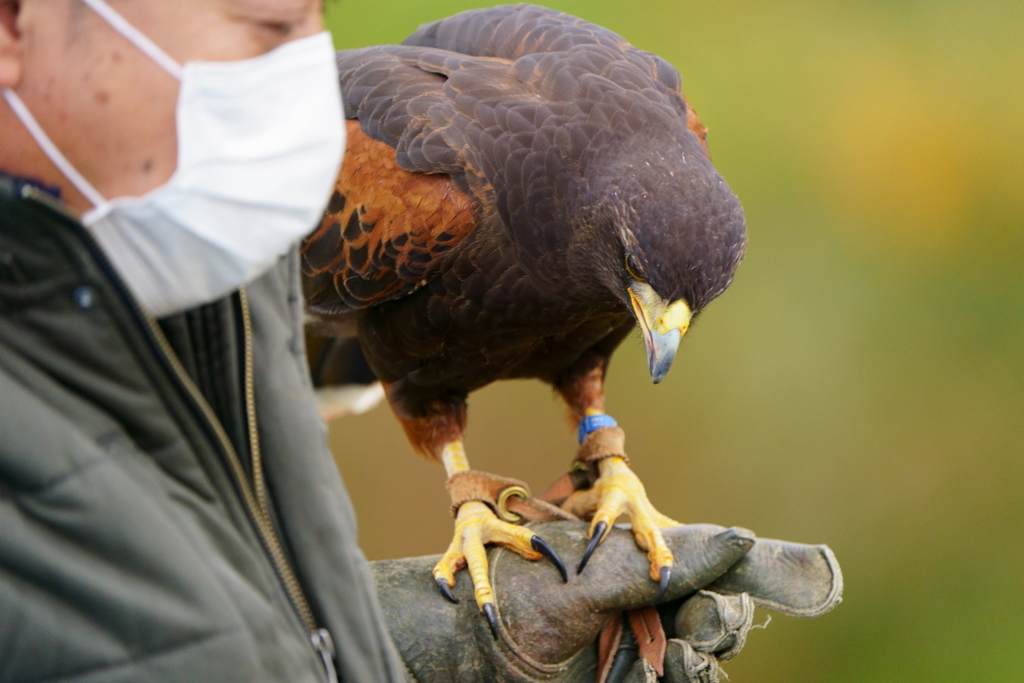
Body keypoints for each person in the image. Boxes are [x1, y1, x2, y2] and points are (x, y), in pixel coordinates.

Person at [0, 1, 840, 681]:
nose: (294, 60)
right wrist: (466, 497)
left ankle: (603, 452)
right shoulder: (433, 190)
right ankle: (465, 489)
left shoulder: (665, 155)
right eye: (265, 30)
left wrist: (456, 649)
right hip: (420, 341)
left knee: (593, 348)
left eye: (311, 19)